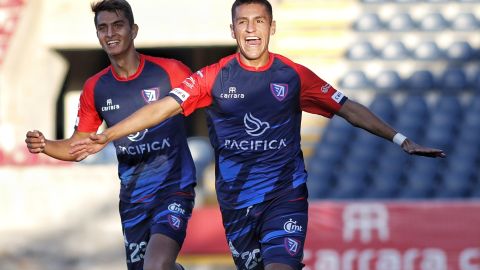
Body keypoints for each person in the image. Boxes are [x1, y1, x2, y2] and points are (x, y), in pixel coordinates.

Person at [70, 0, 446, 269]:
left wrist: (400, 139)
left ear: (271, 27)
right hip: (236, 205)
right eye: (243, 22)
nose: (251, 29)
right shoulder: (213, 76)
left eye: (259, 21)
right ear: (232, 30)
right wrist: (108, 135)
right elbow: (163, 107)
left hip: (285, 195)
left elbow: (347, 107)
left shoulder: (293, 76)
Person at [24, 1, 194, 269]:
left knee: (156, 265)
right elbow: (78, 146)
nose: (110, 33)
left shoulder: (171, 72)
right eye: (102, 28)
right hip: (133, 198)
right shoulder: (96, 87)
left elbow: (214, 106)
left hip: (173, 189)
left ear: (134, 30)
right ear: (97, 35)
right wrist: (45, 145)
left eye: (117, 25)